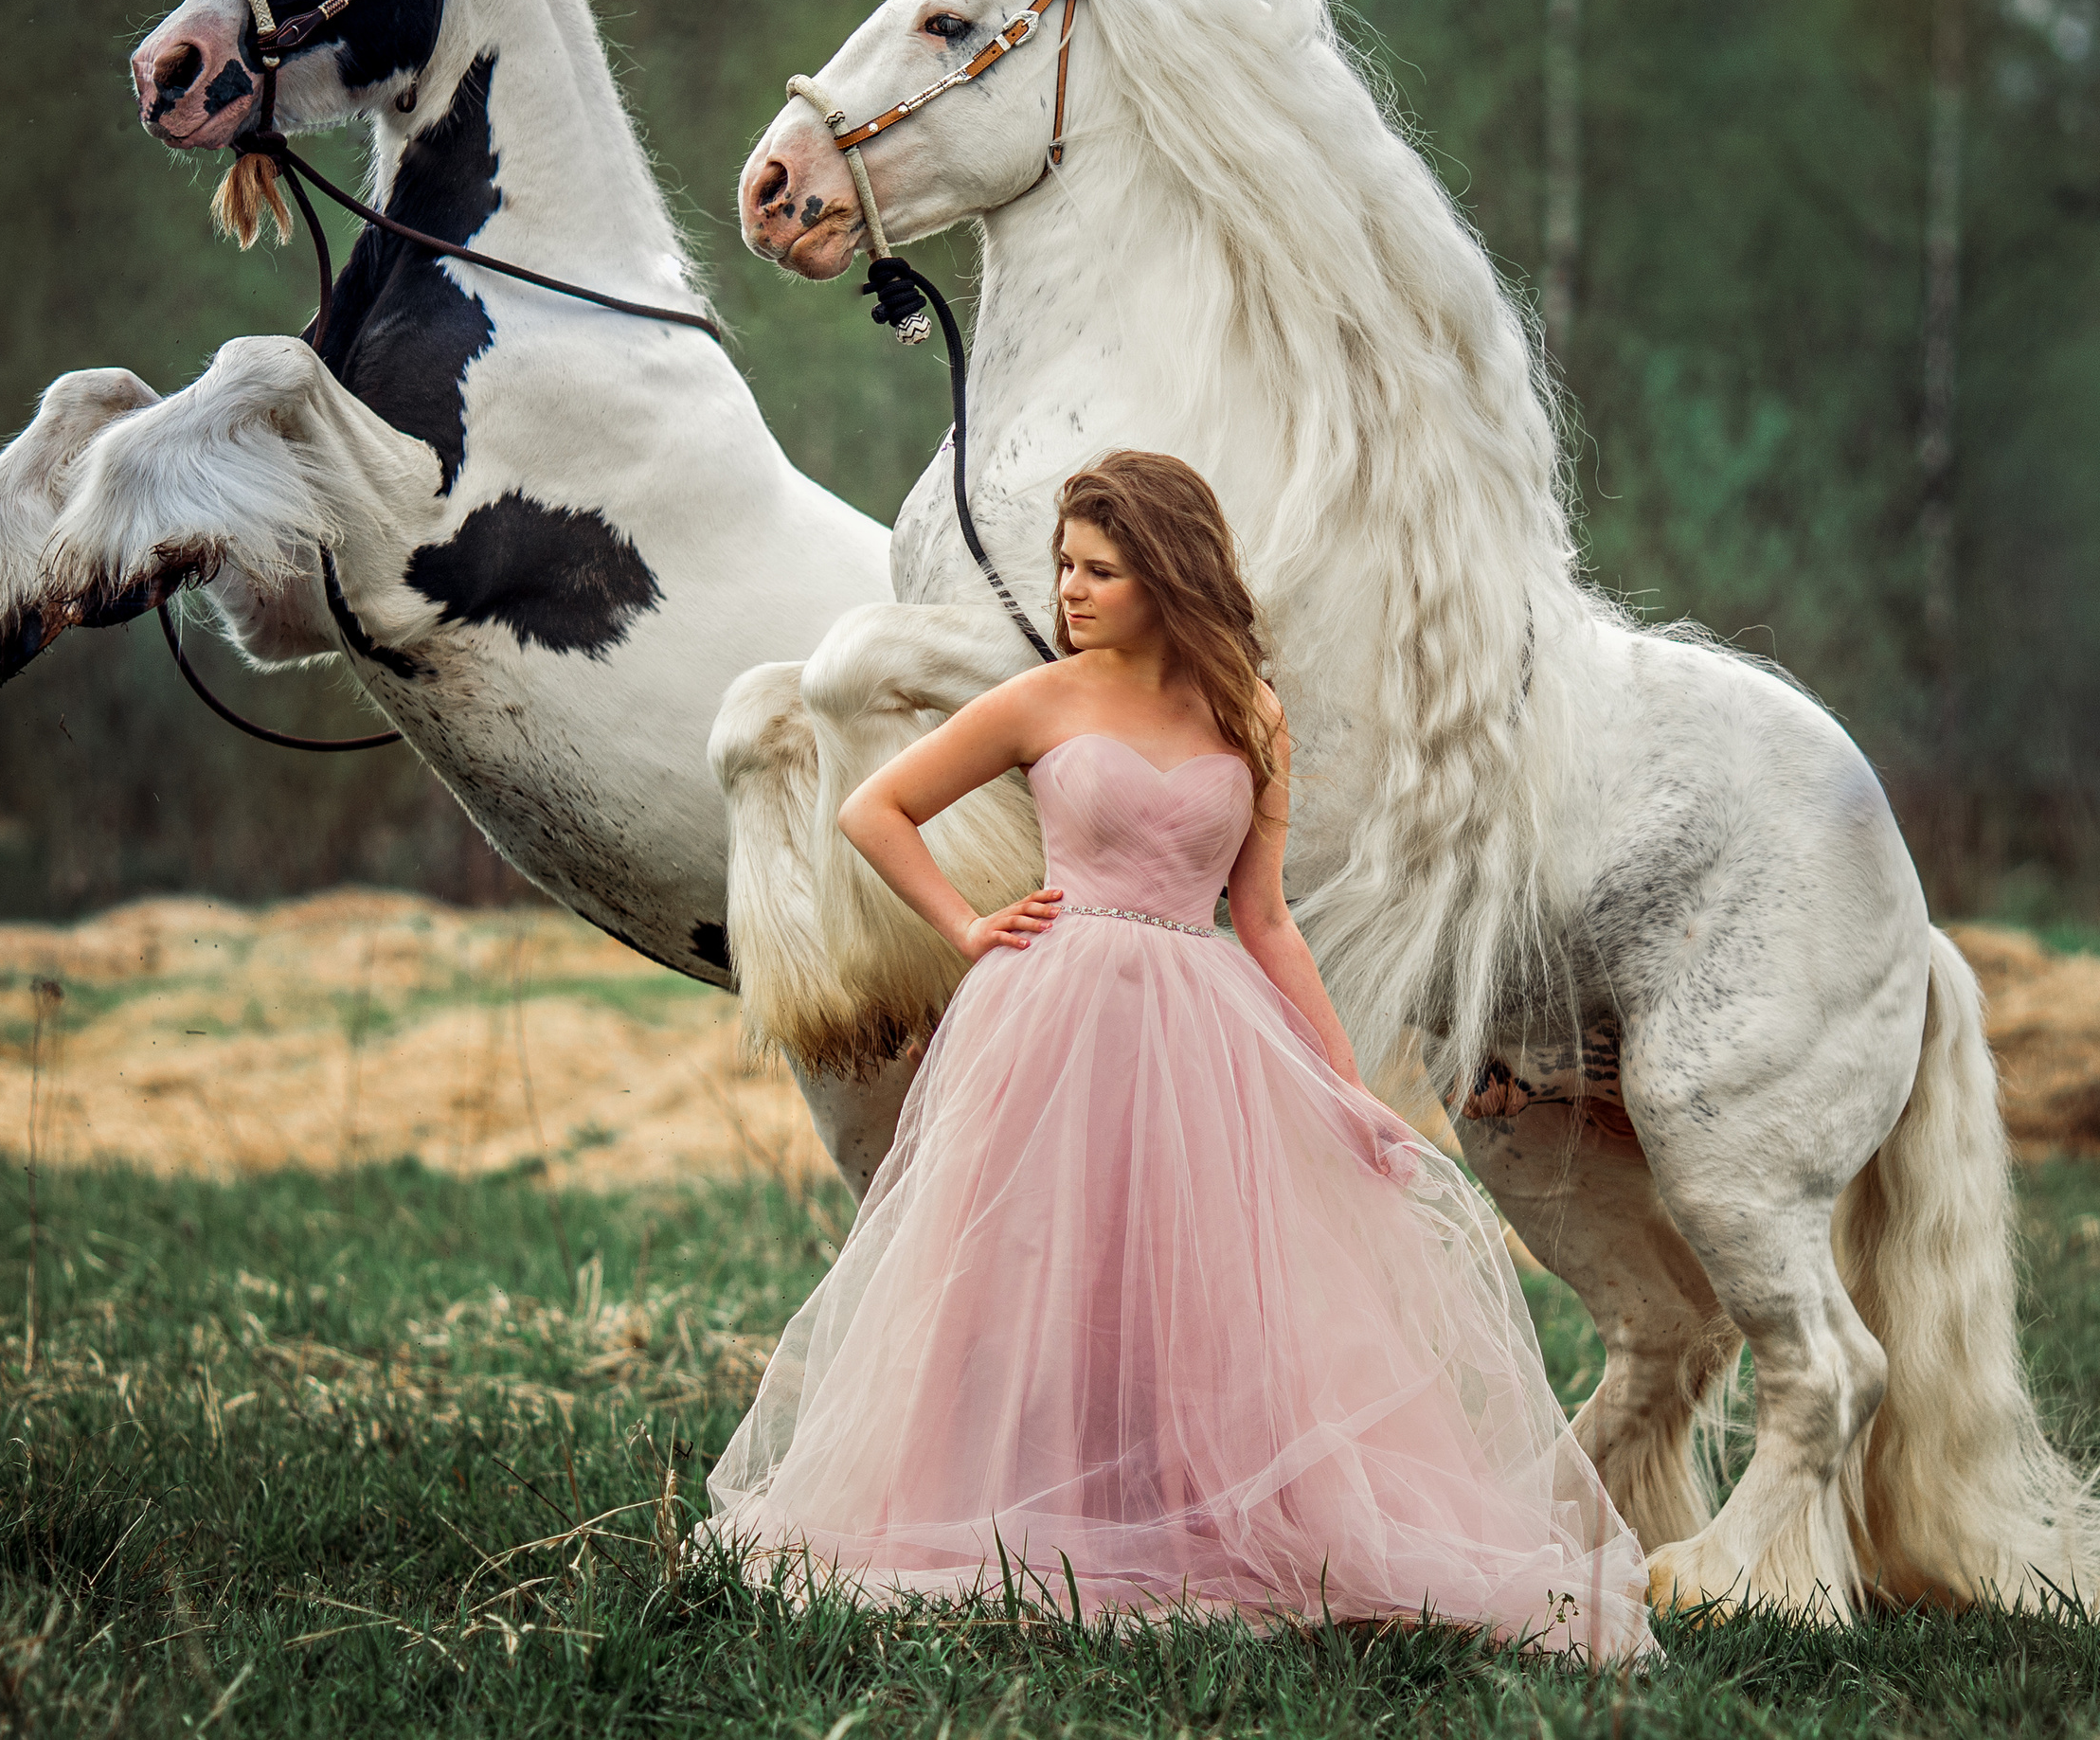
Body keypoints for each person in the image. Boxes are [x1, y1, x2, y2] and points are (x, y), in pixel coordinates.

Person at [703, 451, 1656, 1659]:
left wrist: (1345, 1089)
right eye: (1064, 566)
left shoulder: (1247, 716)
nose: (1070, 591)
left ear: (1164, 572)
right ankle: (1010, 1503)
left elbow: (1261, 918)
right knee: (1032, 1261)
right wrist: (964, 925)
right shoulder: (1048, 697)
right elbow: (872, 808)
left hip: (1200, 1019)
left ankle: (1176, 1505)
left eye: (1099, 568)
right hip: (1050, 1009)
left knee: (1196, 1270)